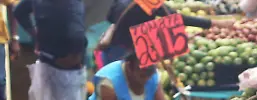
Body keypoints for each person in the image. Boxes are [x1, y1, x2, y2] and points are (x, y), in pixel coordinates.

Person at [98, 0, 231, 67]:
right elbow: (177, 18)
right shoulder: (149, 2)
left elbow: (110, 17)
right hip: (127, 54)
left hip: (111, 50)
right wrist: (215, 23)